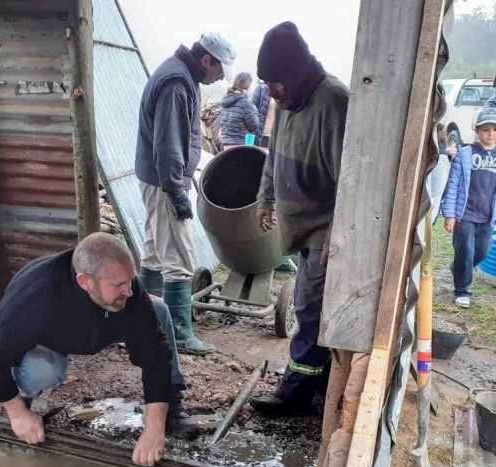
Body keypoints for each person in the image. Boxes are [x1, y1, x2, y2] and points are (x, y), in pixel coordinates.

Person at [0, 233, 200, 467]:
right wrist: (17, 414)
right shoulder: (36, 295)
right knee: (44, 369)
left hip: (105, 323)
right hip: (52, 338)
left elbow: (155, 357)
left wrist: (154, 428)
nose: (129, 291)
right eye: (119, 285)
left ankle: (172, 405)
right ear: (85, 282)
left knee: (158, 310)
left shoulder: (128, 292)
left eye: (130, 281)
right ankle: (22, 400)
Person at [247, 22, 349, 417]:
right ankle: (320, 381)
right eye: (266, 83)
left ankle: (296, 394)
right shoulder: (286, 102)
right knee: (313, 309)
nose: (270, 91)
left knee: (307, 311)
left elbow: (351, 185)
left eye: (276, 83)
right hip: (300, 229)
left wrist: (336, 239)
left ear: (300, 72)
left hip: (322, 233)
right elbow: (274, 155)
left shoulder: (333, 102)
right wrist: (265, 198)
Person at [135, 31, 237, 356]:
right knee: (179, 258)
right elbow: (168, 145)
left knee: (153, 252)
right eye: (220, 69)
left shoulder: (180, 74)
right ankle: (178, 334)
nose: (221, 76)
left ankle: (143, 324)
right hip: (165, 182)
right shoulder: (177, 83)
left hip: (155, 180)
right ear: (206, 59)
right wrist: (176, 193)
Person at [441, 107, 496, 309]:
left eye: (494, 129)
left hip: (487, 216)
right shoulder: (465, 154)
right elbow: (453, 184)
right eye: (485, 129)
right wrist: (450, 215)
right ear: (476, 130)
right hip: (465, 213)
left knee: (483, 250)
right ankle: (463, 290)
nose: (490, 134)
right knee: (465, 250)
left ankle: (457, 268)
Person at [219, 72, 259, 148]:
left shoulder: (226, 100)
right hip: (240, 145)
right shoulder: (246, 103)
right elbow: (253, 126)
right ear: (248, 86)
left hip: (225, 144)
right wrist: (255, 111)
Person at [250, 81, 271, 148]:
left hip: (278, 137)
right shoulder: (261, 88)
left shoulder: (287, 91)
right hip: (262, 135)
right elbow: (252, 109)